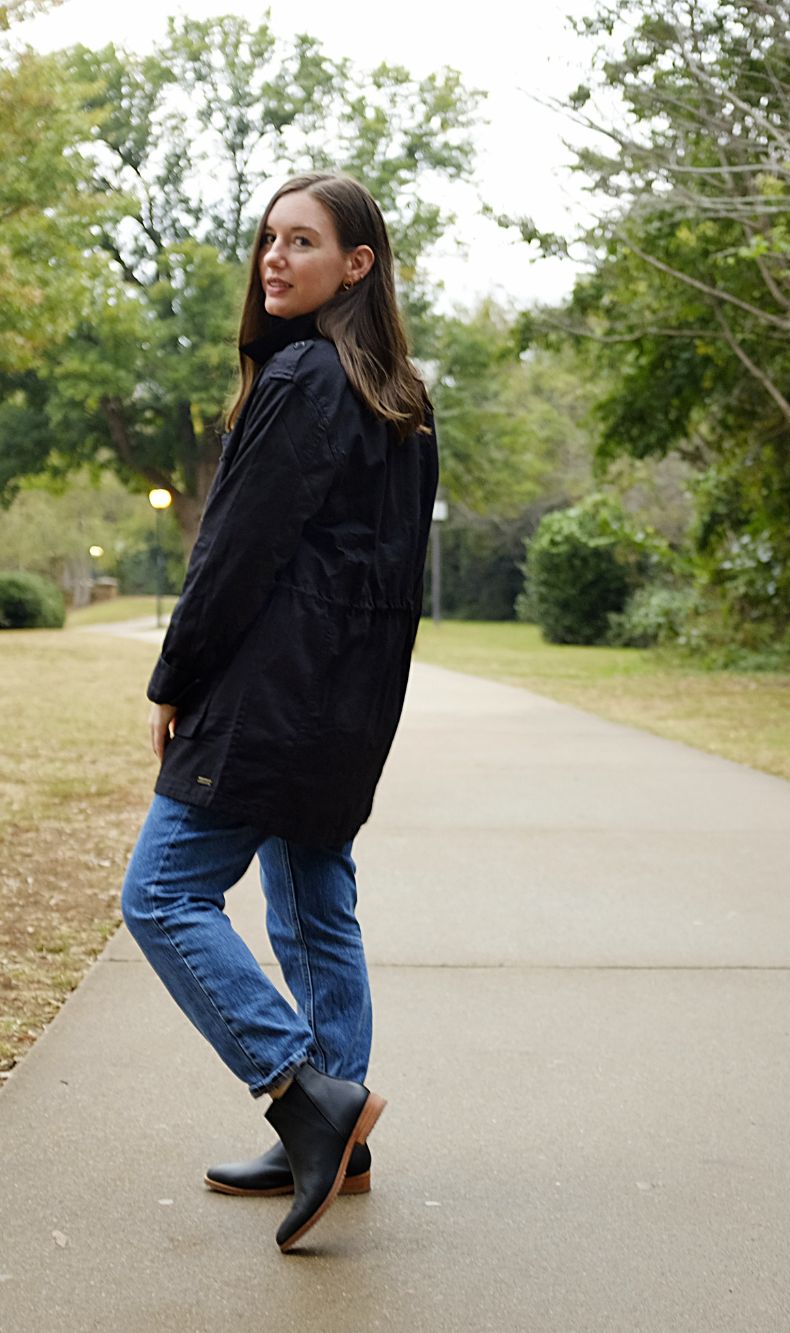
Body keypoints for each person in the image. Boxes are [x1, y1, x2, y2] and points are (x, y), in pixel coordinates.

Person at [120, 171, 438, 1252]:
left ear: (358, 264)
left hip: (272, 692)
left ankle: (305, 1096)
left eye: (301, 241)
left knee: (160, 896)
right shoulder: (399, 391)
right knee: (311, 904)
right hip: (345, 699)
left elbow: (234, 552)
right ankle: (336, 1143)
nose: (273, 258)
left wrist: (176, 679)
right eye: (267, 239)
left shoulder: (303, 379)